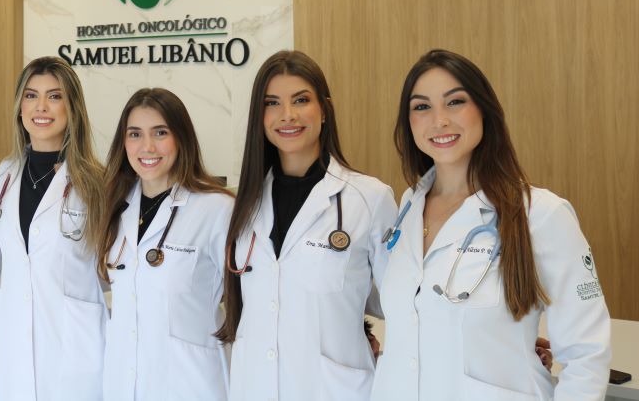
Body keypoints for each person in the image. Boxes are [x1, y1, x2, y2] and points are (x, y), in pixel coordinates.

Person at [371, 49, 611, 401]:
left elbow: (586, 355)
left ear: (484, 109)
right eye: (421, 107)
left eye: (455, 102)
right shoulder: (408, 205)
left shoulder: (540, 214)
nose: (439, 120)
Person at [218, 50, 397, 401]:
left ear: (324, 109)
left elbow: (398, 302)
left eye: (301, 100)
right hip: (254, 386)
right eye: (272, 103)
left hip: (333, 389)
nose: (287, 115)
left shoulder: (369, 199)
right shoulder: (244, 204)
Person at [99, 88, 233, 401]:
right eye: (135, 134)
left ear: (181, 138)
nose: (147, 146)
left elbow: (248, 302)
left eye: (160, 132)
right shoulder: (115, 207)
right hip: (124, 383)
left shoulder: (216, 209)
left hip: (191, 384)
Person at [0, 57, 106, 401]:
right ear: (19, 107)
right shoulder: (4, 173)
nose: (41, 107)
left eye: (55, 96)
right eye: (31, 96)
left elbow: (111, 270)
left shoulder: (97, 182)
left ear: (73, 107)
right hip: (13, 345)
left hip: (73, 347)